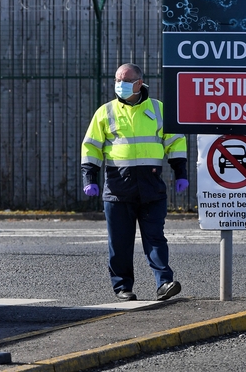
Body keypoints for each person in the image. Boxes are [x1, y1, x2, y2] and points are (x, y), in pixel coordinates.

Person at [80, 63, 188, 302]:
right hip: (118, 188)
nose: (120, 84)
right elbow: (91, 146)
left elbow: (176, 141)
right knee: (119, 243)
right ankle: (122, 287)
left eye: (126, 80)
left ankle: (164, 283)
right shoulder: (105, 112)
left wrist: (181, 172)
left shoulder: (158, 110)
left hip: (151, 187)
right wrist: (89, 177)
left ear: (139, 83)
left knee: (156, 238)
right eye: (118, 79)